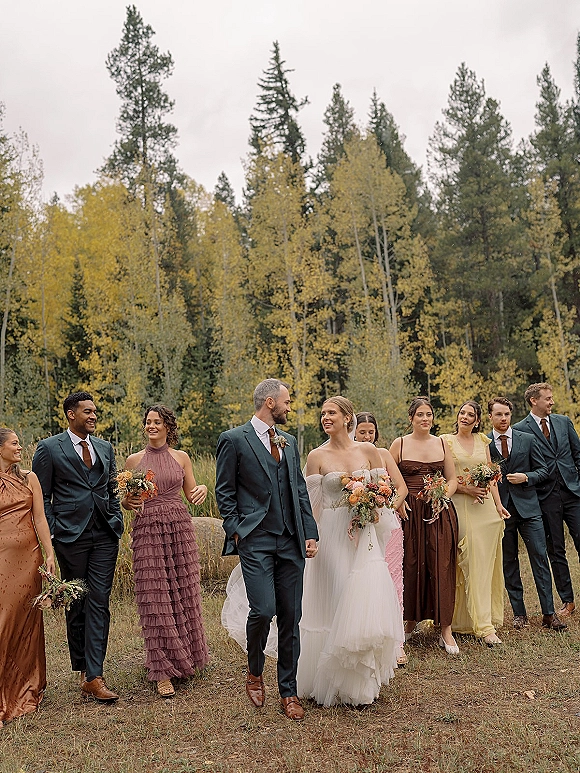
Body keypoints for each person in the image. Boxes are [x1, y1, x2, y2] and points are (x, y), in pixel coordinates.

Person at [215, 379, 319, 721]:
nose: (290, 407)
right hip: (256, 541)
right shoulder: (233, 439)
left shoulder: (288, 442)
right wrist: (237, 530)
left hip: (290, 540)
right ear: (270, 402)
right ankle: (255, 670)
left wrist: (309, 532)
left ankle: (288, 692)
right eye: (287, 402)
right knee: (262, 609)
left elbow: (299, 490)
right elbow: (225, 492)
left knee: (291, 617)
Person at [299, 398, 404, 706]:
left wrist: (375, 509)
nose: (325, 418)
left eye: (331, 413)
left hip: (365, 534)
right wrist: (310, 537)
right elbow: (311, 506)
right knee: (338, 594)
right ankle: (328, 679)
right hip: (331, 533)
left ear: (348, 417)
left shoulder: (369, 452)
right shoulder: (316, 456)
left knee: (363, 601)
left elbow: (384, 493)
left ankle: (359, 685)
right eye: (322, 414)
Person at [32, 391, 123, 702]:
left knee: (99, 600)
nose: (93, 416)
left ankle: (95, 675)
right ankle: (82, 668)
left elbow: (112, 488)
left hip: (105, 535)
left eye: (95, 411)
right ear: (71, 414)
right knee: (78, 602)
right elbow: (41, 498)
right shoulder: (48, 449)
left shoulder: (105, 447)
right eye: (87, 411)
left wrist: (115, 517)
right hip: (70, 536)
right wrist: (54, 533)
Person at [122, 405, 210, 698]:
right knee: (154, 595)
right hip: (148, 528)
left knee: (184, 592)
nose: (152, 426)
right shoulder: (134, 460)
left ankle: (188, 658)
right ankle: (161, 671)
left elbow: (192, 494)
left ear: (168, 427)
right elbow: (127, 501)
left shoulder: (181, 457)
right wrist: (128, 503)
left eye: (157, 422)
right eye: (148, 422)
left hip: (179, 526)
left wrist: (203, 491)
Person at [487, 397, 566, 631]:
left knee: (540, 559)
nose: (503, 419)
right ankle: (519, 614)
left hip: (530, 509)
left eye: (506, 414)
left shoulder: (527, 439)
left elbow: (544, 470)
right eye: (498, 414)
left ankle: (549, 614)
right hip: (501, 510)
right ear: (490, 416)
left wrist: (527, 477)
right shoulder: (484, 443)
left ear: (511, 415)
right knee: (509, 562)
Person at [389, 397, 460, 654]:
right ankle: (409, 621)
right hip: (409, 512)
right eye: (420, 414)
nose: (425, 419)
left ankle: (445, 629)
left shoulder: (442, 443)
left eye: (428, 414)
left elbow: (452, 479)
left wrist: (443, 494)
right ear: (411, 418)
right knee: (410, 564)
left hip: (438, 511)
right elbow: (388, 477)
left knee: (440, 564)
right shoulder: (400, 443)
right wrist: (397, 502)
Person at [440, 402, 510, 646]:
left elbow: (492, 477)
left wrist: (499, 505)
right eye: (462, 413)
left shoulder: (483, 441)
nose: (466, 417)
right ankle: (458, 620)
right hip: (460, 507)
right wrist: (465, 488)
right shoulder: (445, 441)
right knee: (463, 562)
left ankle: (483, 624)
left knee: (483, 564)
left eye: (471, 415)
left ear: (478, 420)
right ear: (457, 416)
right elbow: (444, 478)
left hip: (486, 510)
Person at [0, 428, 55, 726]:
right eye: (15, 443)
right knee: (3, 621)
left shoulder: (29, 478)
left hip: (28, 559)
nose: (20, 447)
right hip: (1, 560)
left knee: (26, 622)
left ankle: (26, 685)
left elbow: (40, 518)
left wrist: (49, 554)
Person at [513, 383, 580, 618]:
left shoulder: (563, 422)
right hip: (545, 497)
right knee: (556, 550)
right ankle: (568, 601)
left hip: (573, 493)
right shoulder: (520, 430)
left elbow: (577, 454)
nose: (552, 402)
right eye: (547, 399)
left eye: (552, 398)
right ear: (534, 401)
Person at [355, 412, 409, 664]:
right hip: (359, 527)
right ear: (353, 431)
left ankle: (396, 642)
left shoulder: (385, 455)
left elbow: (402, 488)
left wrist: (387, 508)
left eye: (370, 432)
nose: (367, 436)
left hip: (387, 526)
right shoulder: (351, 456)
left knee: (392, 579)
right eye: (362, 431)